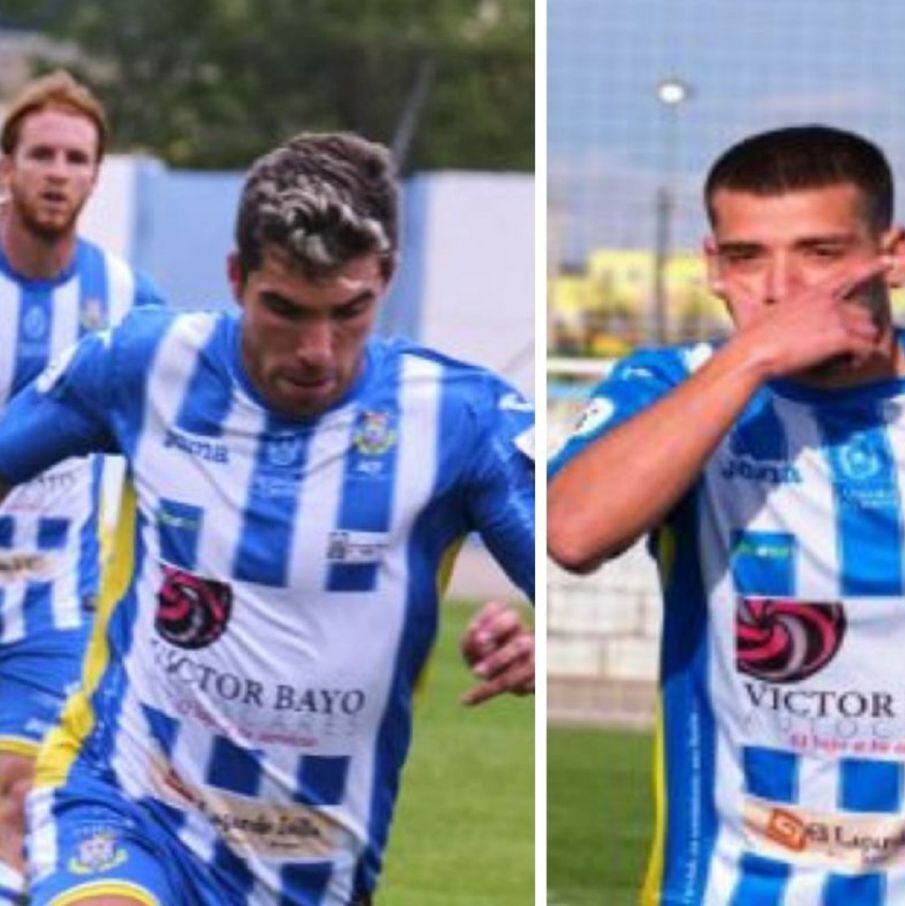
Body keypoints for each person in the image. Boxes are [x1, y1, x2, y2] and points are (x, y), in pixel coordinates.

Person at [0, 132, 534, 905]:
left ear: (386, 279)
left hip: (312, 861)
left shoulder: (460, 419)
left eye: (348, 311)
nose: (317, 349)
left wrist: (537, 642)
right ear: (236, 277)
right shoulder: (142, 364)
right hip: (126, 801)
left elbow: (567, 554)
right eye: (284, 309)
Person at [549, 125, 905, 904]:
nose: (781, 288)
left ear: (893, 255)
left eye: (821, 254)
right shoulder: (669, 388)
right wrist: (756, 357)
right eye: (747, 257)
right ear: (712, 268)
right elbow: (573, 531)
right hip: (743, 885)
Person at [0, 70, 162, 902]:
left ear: (97, 174)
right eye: (41, 155)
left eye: (75, 157)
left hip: (54, 600)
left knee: (19, 793)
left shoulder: (129, 301)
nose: (58, 172)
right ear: (7, 167)